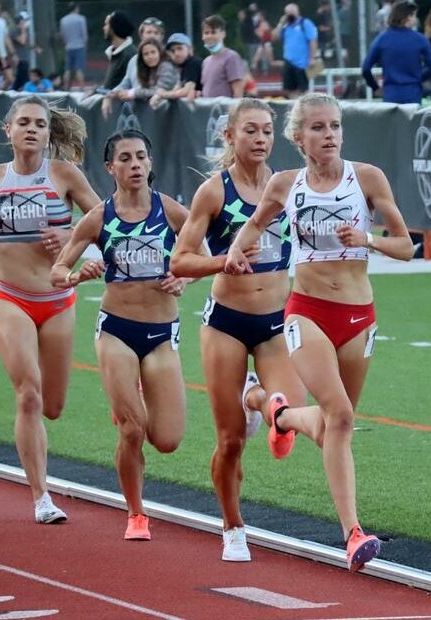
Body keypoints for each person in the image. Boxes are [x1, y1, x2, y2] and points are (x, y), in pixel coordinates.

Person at [224, 93, 413, 572]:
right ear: (298, 136)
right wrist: (235, 254)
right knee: (342, 416)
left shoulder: (365, 178)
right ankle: (352, 533)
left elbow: (407, 247)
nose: (329, 135)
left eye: (335, 126)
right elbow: (253, 226)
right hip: (306, 311)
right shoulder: (287, 185)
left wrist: (367, 239)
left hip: (358, 315)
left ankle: (282, 418)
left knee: (334, 425)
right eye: (318, 128)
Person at [0, 95, 100, 523]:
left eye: (40, 124)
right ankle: (41, 497)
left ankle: (42, 487)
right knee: (28, 395)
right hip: (11, 296)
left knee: (52, 405)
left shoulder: (65, 174)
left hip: (58, 299)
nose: (32, 129)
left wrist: (69, 234)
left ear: (50, 133)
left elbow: (107, 222)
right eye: (25, 122)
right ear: (8, 131)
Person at [170, 99, 306, 563]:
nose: (261, 138)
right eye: (251, 130)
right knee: (230, 440)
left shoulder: (290, 186)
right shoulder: (214, 192)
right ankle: (233, 527)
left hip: (275, 322)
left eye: (267, 130)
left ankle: (254, 396)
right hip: (226, 323)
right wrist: (220, 260)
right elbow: (180, 260)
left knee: (291, 415)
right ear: (230, 136)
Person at [50, 129, 189, 540]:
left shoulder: (170, 210)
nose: (135, 165)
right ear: (110, 168)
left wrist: (184, 278)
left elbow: (207, 252)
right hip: (117, 330)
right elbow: (58, 271)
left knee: (166, 440)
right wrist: (77, 275)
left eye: (141, 157)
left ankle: (131, 399)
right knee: (133, 429)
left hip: (163, 332)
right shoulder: (99, 217)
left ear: (150, 163)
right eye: (125, 159)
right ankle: (136, 513)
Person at [362, 0, 431, 104]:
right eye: (414, 15)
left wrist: (375, 87)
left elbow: (366, 68)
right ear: (408, 17)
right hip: (413, 93)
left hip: (390, 93)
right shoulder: (420, 40)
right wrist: (418, 78)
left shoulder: (382, 39)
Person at [102, 38, 178, 117]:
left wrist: (132, 93)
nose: (150, 56)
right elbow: (127, 84)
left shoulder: (166, 66)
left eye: (153, 52)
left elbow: (160, 91)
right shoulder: (145, 68)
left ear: (159, 52)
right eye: (146, 54)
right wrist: (110, 95)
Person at [273, 4, 318, 99]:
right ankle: (294, 108)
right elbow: (274, 37)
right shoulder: (285, 27)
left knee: (303, 90)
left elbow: (313, 41)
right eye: (287, 12)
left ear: (297, 12)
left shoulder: (305, 23)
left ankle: (306, 108)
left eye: (291, 12)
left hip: (302, 62)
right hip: (288, 61)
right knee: (289, 89)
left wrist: (312, 58)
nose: (289, 14)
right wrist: (280, 23)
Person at [200, 14, 246, 98]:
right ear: (202, 36)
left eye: (213, 32)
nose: (209, 36)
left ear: (223, 34)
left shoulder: (231, 57)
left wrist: (234, 110)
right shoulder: (205, 62)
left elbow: (238, 91)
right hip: (208, 110)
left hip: (225, 110)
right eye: (206, 33)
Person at [160, 33, 203, 102]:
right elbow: (177, 89)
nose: (176, 53)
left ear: (190, 49)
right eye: (172, 51)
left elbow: (186, 91)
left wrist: (163, 94)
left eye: (179, 48)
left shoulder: (193, 63)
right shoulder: (184, 66)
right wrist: (158, 96)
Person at [100, 11, 134, 92]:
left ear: (113, 28)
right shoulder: (116, 53)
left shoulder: (129, 55)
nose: (103, 28)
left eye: (106, 24)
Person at [59, 2, 87, 90]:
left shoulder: (63, 20)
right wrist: (85, 45)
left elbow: (62, 34)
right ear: (76, 8)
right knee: (78, 69)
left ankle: (66, 88)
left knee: (67, 69)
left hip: (68, 46)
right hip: (79, 46)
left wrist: (66, 44)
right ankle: (82, 88)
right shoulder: (81, 19)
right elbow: (84, 34)